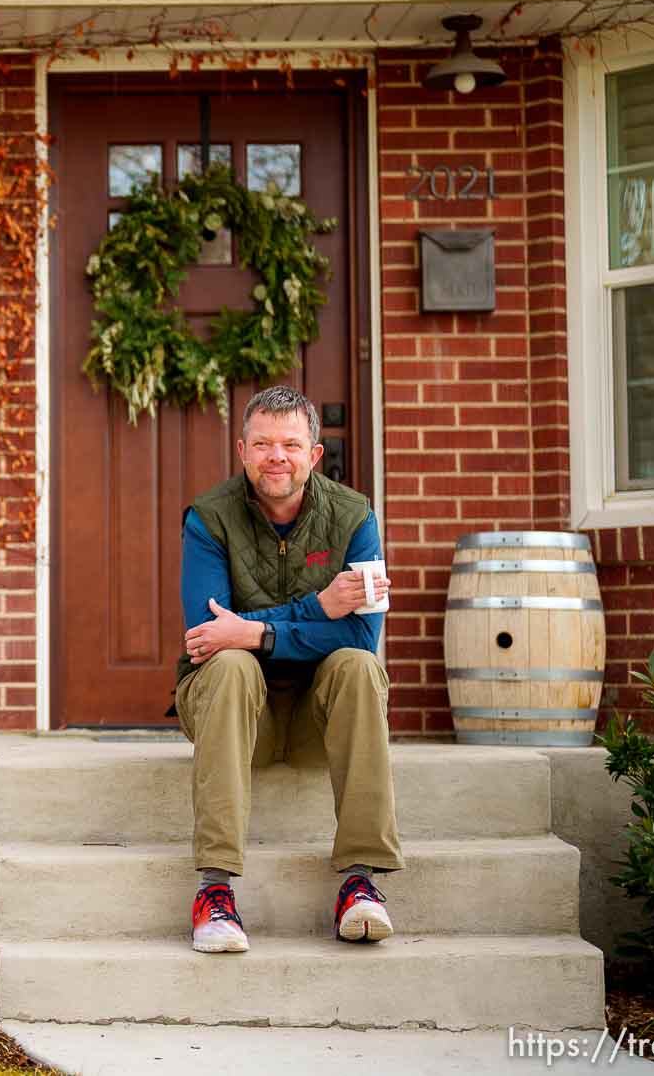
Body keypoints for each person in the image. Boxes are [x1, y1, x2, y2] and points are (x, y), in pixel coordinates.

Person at [174, 385, 403, 954]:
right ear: (242, 451)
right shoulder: (208, 518)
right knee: (228, 665)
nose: (277, 456)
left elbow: (360, 634)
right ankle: (214, 892)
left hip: (316, 724)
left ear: (314, 454)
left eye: (291, 444)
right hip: (234, 718)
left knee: (356, 666)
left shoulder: (354, 517)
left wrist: (256, 631)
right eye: (264, 444)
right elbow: (207, 637)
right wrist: (315, 610)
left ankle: (360, 885)